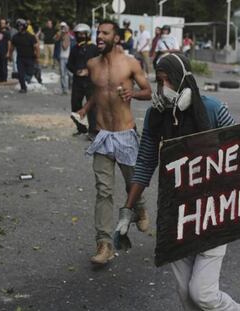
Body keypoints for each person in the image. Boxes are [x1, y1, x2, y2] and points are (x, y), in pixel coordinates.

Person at [115, 53, 240, 311]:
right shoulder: (157, 116)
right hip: (176, 213)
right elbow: (144, 163)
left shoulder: (213, 110)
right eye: (159, 81)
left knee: (203, 294)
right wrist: (127, 210)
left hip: (213, 212)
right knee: (186, 296)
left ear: (183, 80)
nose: (163, 89)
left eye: (168, 81)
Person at [77, 20, 151, 265]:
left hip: (126, 134)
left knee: (133, 183)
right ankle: (105, 244)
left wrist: (134, 94)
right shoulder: (92, 64)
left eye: (104, 33)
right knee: (103, 190)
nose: (99, 36)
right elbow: (99, 93)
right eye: (98, 32)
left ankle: (138, 206)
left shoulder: (131, 63)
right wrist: (84, 109)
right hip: (102, 135)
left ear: (116, 38)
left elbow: (148, 91)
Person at [67, 23, 99, 136]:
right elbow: (69, 65)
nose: (80, 36)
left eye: (82, 33)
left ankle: (93, 131)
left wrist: (89, 71)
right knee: (75, 104)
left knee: (92, 106)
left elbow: (100, 65)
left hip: (91, 82)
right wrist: (76, 71)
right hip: (77, 82)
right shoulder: (75, 48)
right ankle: (81, 128)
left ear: (87, 34)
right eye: (78, 34)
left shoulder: (94, 48)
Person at [9, 18, 40, 93]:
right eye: (18, 26)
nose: (20, 28)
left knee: (29, 73)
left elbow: (36, 47)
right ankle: (23, 88)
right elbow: (11, 48)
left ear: (24, 26)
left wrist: (37, 57)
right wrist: (9, 56)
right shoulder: (15, 37)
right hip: (20, 58)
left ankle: (35, 71)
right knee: (20, 74)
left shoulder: (31, 37)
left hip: (30, 58)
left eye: (21, 26)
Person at [56, 21, 71, 95]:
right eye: (61, 27)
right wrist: (60, 34)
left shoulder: (68, 36)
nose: (62, 29)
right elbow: (55, 39)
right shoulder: (60, 35)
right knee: (62, 74)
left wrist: (63, 38)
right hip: (61, 57)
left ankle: (69, 87)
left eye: (63, 27)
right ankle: (64, 89)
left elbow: (65, 47)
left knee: (69, 73)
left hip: (67, 57)